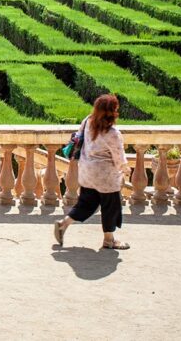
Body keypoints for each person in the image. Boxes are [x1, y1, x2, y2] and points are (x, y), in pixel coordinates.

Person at [54, 94, 130, 250]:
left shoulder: (88, 121)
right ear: (113, 111)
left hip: (87, 173)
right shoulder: (113, 133)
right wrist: (125, 169)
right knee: (110, 207)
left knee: (86, 204)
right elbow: (119, 157)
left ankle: (64, 224)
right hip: (106, 177)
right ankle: (109, 241)